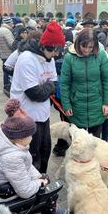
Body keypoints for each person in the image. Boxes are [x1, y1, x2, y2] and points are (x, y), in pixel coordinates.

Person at [11, 21, 64, 173]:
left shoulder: (50, 59)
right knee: (31, 156)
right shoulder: (27, 59)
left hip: (43, 114)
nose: (56, 54)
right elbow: (35, 94)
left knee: (45, 150)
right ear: (44, 46)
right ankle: (32, 187)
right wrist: (48, 88)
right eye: (54, 50)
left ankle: (42, 180)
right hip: (26, 116)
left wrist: (47, 87)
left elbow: (54, 82)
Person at [0, 99, 48, 202]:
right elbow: (25, 191)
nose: (32, 138)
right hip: (6, 196)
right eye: (30, 135)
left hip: (10, 182)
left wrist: (38, 176)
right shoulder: (11, 157)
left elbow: (25, 166)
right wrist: (40, 183)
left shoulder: (10, 143)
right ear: (20, 138)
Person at [60, 28, 108, 137]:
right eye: (84, 46)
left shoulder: (101, 55)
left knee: (95, 144)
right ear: (78, 43)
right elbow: (64, 83)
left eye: (90, 47)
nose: (87, 50)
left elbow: (107, 80)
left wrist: (107, 102)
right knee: (79, 143)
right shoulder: (69, 58)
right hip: (77, 106)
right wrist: (66, 105)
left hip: (96, 105)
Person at [0, 16, 14, 95]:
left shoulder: (0, 30)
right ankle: (7, 87)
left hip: (3, 53)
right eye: (11, 23)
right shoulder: (6, 31)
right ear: (9, 23)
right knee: (8, 72)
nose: (12, 24)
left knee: (5, 71)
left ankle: (5, 86)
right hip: (8, 54)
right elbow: (11, 44)